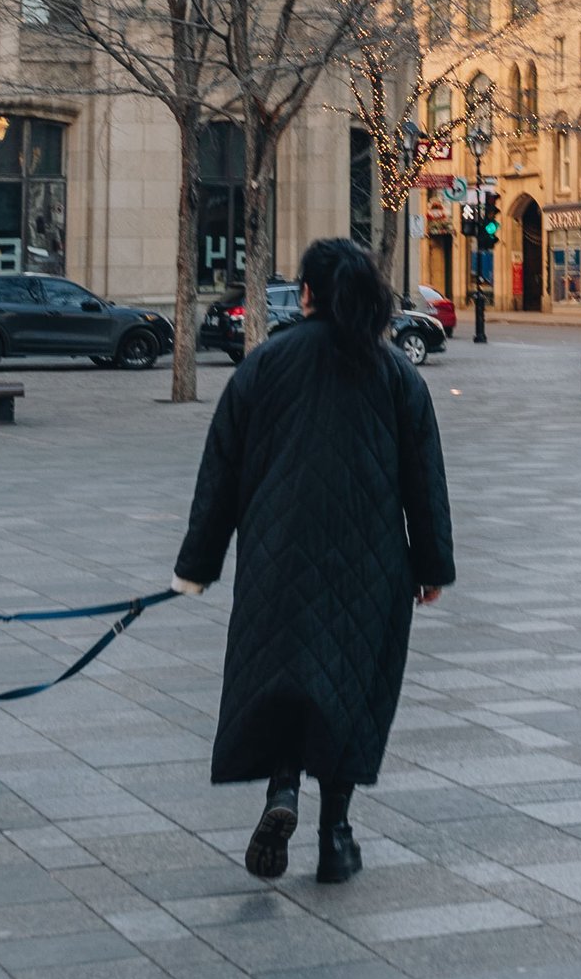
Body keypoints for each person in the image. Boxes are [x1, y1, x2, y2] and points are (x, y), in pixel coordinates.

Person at [172, 233, 452, 884]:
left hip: (278, 558)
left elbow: (222, 468)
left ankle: (282, 792)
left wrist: (198, 564)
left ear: (306, 295)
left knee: (288, 682)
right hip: (375, 567)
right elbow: (425, 478)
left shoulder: (267, 365)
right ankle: (337, 837)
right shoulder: (396, 375)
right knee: (351, 692)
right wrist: (431, 567)